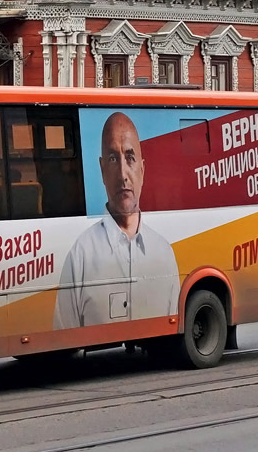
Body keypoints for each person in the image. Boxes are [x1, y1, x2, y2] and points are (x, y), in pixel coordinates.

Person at [54, 112, 181, 329]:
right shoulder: (81, 255)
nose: (123, 174)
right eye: (113, 159)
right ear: (102, 170)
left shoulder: (164, 252)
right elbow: (63, 335)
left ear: (142, 170)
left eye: (130, 158)